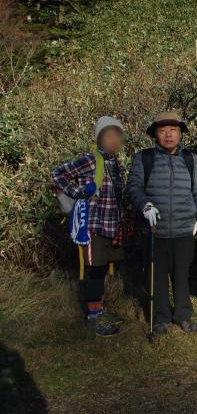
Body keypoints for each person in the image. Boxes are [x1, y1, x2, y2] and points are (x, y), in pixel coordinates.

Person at [126, 111, 197, 335]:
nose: (168, 135)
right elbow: (133, 187)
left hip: (184, 229)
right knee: (156, 275)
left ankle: (183, 315)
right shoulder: (144, 158)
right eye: (163, 131)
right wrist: (145, 205)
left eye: (173, 130)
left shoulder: (191, 159)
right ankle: (160, 317)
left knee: (182, 275)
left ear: (181, 133)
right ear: (155, 135)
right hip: (155, 230)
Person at [51, 116, 129, 337]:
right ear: (99, 138)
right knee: (94, 270)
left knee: (102, 269)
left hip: (112, 228)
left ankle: (100, 311)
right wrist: (78, 192)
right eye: (108, 135)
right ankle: (93, 318)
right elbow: (57, 174)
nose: (113, 140)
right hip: (93, 227)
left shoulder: (116, 163)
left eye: (117, 136)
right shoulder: (90, 160)